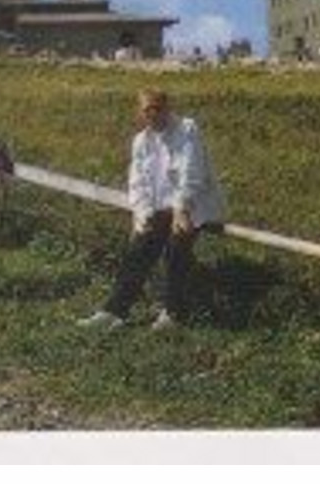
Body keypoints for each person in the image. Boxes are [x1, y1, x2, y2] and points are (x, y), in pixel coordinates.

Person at [77, 89, 227, 331]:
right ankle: (114, 311)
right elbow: (138, 184)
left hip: (193, 204)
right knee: (138, 249)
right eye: (147, 109)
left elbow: (192, 172)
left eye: (158, 108)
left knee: (177, 249)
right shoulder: (141, 141)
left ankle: (173, 313)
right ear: (140, 112)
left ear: (167, 108)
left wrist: (182, 208)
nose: (153, 114)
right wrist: (142, 215)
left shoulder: (187, 129)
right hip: (161, 209)